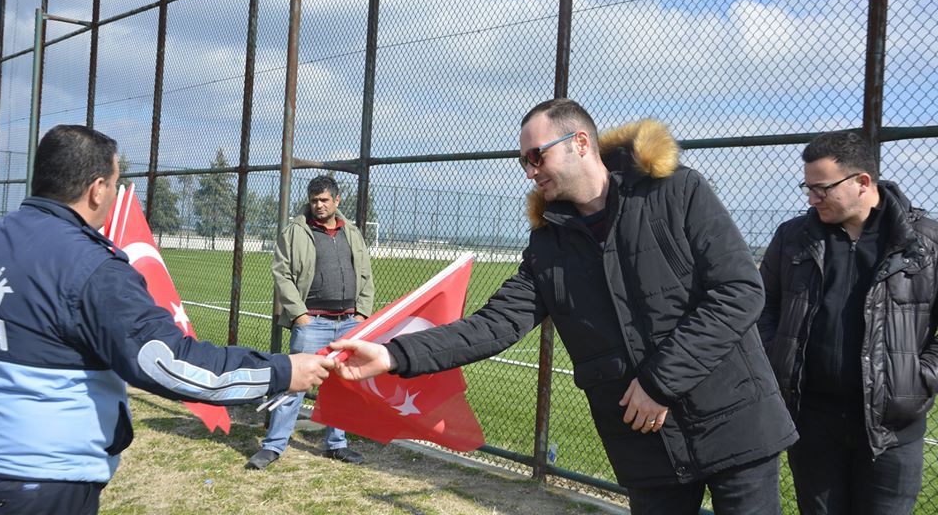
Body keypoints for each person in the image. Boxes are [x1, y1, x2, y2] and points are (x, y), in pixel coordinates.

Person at [330, 98, 797, 514]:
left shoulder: (676, 191)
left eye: (537, 156)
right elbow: (495, 324)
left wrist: (658, 383)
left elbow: (739, 292)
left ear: (579, 143)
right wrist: (393, 354)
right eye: (523, 162)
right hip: (644, 444)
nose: (530, 171)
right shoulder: (547, 246)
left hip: (735, 421)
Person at [0, 125, 334, 514]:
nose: (114, 196)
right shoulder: (93, 268)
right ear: (97, 189)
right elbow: (166, 362)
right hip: (37, 483)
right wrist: (281, 371)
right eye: (115, 185)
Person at [758, 130, 938, 515]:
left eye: (821, 188)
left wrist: (918, 376)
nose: (811, 199)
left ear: (862, 182)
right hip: (813, 421)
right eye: (807, 188)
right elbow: (763, 305)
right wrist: (777, 354)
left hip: (891, 429)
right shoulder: (794, 237)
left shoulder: (924, 243)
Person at [245, 175, 374, 470]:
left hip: (348, 323)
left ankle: (336, 444)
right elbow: (282, 274)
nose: (318, 205)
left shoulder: (351, 232)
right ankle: (273, 446)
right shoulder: (295, 231)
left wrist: (362, 313)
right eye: (314, 200)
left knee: (342, 386)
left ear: (337, 201)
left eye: (324, 200)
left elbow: (365, 274)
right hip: (312, 322)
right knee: (293, 385)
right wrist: (300, 315)